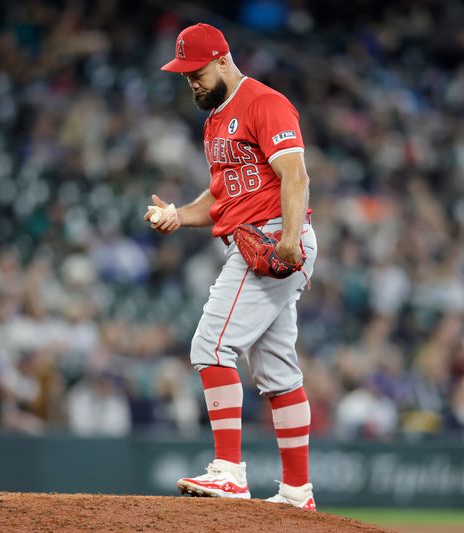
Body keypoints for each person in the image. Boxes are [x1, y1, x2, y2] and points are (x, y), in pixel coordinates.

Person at [146, 23, 317, 510]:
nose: (191, 82)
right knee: (278, 373)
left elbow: (295, 174)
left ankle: (228, 471)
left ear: (222, 59)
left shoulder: (264, 103)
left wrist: (286, 239)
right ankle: (296, 492)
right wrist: (179, 215)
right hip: (251, 237)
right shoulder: (214, 120)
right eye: (184, 75)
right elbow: (223, 197)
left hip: (271, 238)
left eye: (196, 71)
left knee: (211, 345)